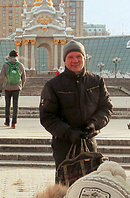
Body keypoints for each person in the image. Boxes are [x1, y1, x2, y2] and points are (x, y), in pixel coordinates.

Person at [39, 40, 113, 182]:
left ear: (84, 58)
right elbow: (47, 116)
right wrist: (68, 132)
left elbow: (106, 107)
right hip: (64, 145)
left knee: (91, 186)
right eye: (70, 57)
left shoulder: (96, 82)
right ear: (65, 60)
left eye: (79, 56)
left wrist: (94, 124)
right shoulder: (53, 85)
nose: (75, 61)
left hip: (88, 142)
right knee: (66, 187)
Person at [0, 50, 26, 129]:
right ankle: (14, 123)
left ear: (9, 56)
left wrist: (0, 89)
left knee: (7, 105)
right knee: (15, 105)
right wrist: (20, 86)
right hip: (16, 88)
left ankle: (7, 121)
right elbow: (23, 78)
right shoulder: (20, 65)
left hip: (7, 88)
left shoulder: (5, 65)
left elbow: (1, 78)